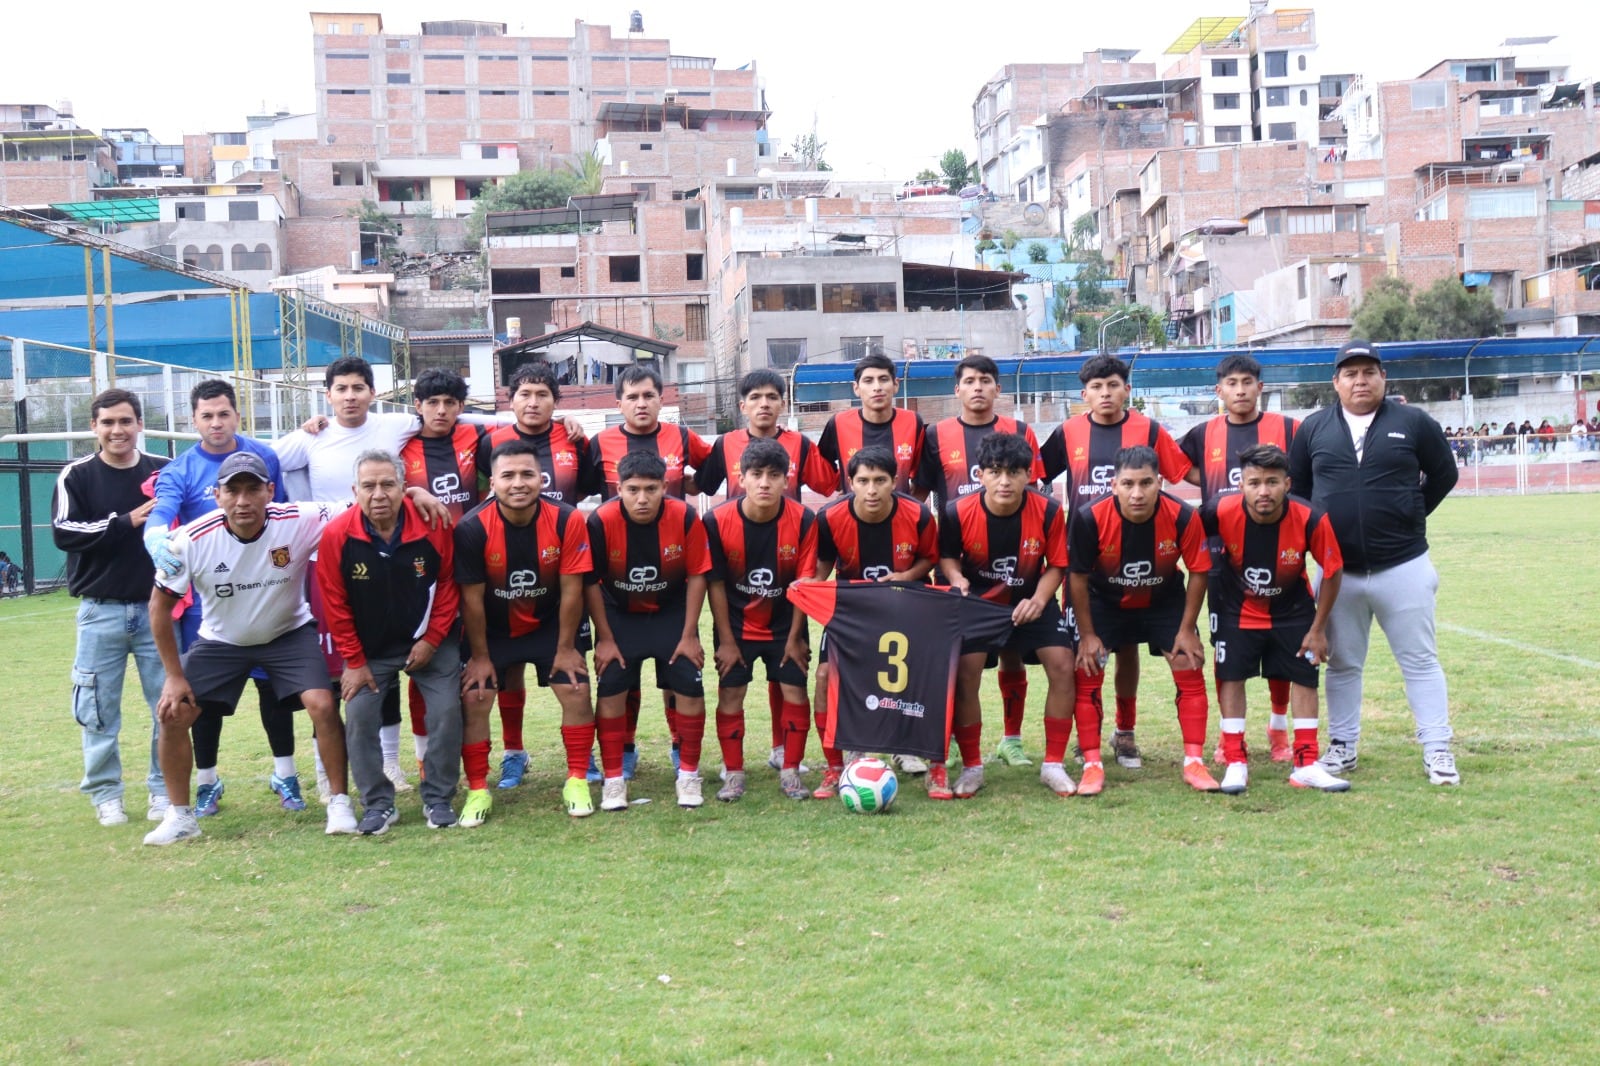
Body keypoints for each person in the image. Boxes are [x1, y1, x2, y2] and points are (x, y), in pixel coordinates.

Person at [142, 453, 356, 844]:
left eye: (253, 489)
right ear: (216, 494)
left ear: (269, 491)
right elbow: (158, 609)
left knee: (323, 705)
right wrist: (174, 677)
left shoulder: (299, 518)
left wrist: (413, 493)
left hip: (288, 634)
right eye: (232, 490)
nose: (243, 500)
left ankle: (339, 803)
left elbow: (365, 501)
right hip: (220, 642)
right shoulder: (190, 539)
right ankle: (180, 816)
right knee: (172, 713)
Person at [1288, 339, 1461, 785]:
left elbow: (1445, 474)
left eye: (1369, 372)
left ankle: (1437, 748)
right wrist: (1319, 539)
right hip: (1337, 573)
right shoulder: (1313, 428)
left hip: (1403, 565)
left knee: (1420, 661)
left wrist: (1411, 513)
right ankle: (1343, 747)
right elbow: (1299, 493)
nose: (1360, 380)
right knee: (1343, 663)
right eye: (1351, 373)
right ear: (1336, 382)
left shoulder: (1414, 422)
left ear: (1384, 378)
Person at [144, 378, 303, 815]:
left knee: (274, 691)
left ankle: (286, 775)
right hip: (211, 602)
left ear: (237, 415)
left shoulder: (263, 456)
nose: (216, 422)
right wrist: (156, 536)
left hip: (267, 591)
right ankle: (208, 782)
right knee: (203, 697)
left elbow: (284, 517)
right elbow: (160, 514)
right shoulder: (180, 469)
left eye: (224, 413)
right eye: (206, 415)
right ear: (193, 420)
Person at [275, 357, 425, 798]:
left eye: (359, 387)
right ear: (328, 395)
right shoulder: (312, 438)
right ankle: (327, 769)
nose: (350, 396)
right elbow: (261, 456)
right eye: (341, 388)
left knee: (385, 658)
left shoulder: (392, 426)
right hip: (329, 564)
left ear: (373, 393)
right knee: (332, 669)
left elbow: (457, 415)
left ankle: (391, 763)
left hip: (385, 560)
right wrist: (302, 431)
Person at [1041, 354, 1191, 772]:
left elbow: (1182, 472)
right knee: (1087, 652)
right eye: (1096, 387)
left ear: (1127, 388)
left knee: (1129, 649)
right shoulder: (1068, 431)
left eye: (1113, 385)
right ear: (1083, 393)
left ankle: (1125, 734)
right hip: (1089, 565)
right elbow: (1034, 474)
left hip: (1146, 558)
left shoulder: (1150, 428)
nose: (1105, 394)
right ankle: (1085, 738)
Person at [693, 368, 836, 777]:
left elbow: (831, 482)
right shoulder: (724, 455)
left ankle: (785, 758)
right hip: (739, 596)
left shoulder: (801, 464)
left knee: (788, 681)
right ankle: (733, 769)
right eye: (755, 397)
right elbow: (699, 484)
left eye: (773, 396)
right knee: (732, 688)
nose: (764, 404)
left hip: (783, 583)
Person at [316, 450, 463, 833]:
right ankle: (378, 804)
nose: (378, 494)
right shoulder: (337, 534)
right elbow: (335, 601)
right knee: (361, 717)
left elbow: (448, 584)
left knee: (447, 711)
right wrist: (354, 659)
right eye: (369, 486)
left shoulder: (433, 523)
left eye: (387, 484)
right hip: (369, 652)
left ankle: (438, 798)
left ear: (404, 488)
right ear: (355, 490)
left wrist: (432, 640)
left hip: (429, 642)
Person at [914, 354, 1046, 768]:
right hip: (960, 562)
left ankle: (1011, 740)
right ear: (957, 390)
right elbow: (920, 493)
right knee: (956, 659)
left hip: (1016, 557)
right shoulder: (935, 435)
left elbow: (1037, 492)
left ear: (997, 389)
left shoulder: (1021, 431)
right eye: (969, 381)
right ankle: (953, 740)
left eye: (985, 380)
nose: (977, 387)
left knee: (1011, 651)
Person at [455, 439, 596, 824]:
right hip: (494, 630)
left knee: (576, 687)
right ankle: (478, 789)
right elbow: (471, 601)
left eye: (527, 474)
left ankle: (577, 779)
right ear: (493, 482)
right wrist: (480, 657)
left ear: (541, 478)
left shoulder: (568, 519)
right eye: (508, 476)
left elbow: (572, 591)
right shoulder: (470, 528)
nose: (518, 483)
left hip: (551, 624)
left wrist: (566, 648)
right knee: (476, 696)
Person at [585, 364, 713, 778]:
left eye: (649, 395)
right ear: (618, 402)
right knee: (626, 674)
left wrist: (692, 487)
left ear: (662, 399)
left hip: (673, 566)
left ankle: (681, 746)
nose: (641, 403)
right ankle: (622, 749)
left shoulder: (682, 437)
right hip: (620, 570)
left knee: (674, 672)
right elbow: (579, 492)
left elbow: (713, 474)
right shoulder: (598, 442)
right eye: (633, 396)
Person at [1199, 444, 1349, 794]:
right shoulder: (1218, 511)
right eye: (1254, 483)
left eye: (1272, 482)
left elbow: (1332, 570)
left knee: (1305, 679)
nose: (1263, 491)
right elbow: (1184, 539)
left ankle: (1306, 763)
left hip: (1293, 612)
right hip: (1237, 611)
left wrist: (1318, 628)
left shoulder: (1310, 517)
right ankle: (1236, 761)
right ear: (1242, 484)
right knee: (1232, 677)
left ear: (1288, 484)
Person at [1069, 446, 1219, 795]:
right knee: (1088, 667)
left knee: (1189, 662)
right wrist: (1088, 634)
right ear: (1113, 485)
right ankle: (1092, 764)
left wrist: (1186, 629)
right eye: (1128, 484)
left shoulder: (1182, 515)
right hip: (1104, 602)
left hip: (1162, 602)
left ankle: (1194, 762)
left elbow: (1199, 572)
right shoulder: (1089, 517)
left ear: (1160, 482)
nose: (1137, 493)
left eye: (1146, 483)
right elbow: (1076, 576)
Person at [51, 388, 169, 827]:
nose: (117, 430)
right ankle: (106, 795)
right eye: (108, 423)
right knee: (98, 708)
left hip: (159, 608)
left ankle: (164, 791)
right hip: (100, 610)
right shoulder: (76, 476)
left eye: (125, 421)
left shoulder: (164, 470)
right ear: (94, 428)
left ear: (140, 424)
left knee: (169, 705)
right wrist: (126, 523)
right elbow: (64, 531)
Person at [938, 433, 1077, 799]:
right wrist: (957, 578)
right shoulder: (956, 511)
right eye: (995, 472)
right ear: (980, 474)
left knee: (1063, 664)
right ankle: (972, 767)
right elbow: (948, 557)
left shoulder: (1047, 510)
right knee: (966, 674)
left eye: (1014, 472)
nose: (1004, 481)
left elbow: (1057, 564)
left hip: (1031, 600)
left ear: (1029, 475)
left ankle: (1053, 765)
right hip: (979, 605)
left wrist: (1039, 598)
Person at [1176, 353, 1300, 763]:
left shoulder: (1289, 429)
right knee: (1225, 648)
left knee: (1284, 642)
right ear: (1219, 391)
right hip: (1221, 559)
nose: (1241, 390)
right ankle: (1230, 737)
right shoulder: (1203, 432)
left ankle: (1279, 728)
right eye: (1232, 383)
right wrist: (1214, 484)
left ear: (1260, 387)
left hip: (1281, 549)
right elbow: (1178, 467)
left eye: (1248, 382)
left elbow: (1308, 472)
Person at [810, 446, 940, 795]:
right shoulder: (829, 516)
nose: (871, 489)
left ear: (894, 482)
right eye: (863, 481)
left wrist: (906, 575)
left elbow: (930, 558)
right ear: (850, 482)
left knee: (915, 679)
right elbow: (821, 568)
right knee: (825, 677)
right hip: (852, 612)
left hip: (906, 606)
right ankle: (835, 766)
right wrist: (807, 586)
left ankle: (909, 748)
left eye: (880, 480)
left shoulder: (918, 514)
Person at [703, 437, 819, 802]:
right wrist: (725, 640)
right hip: (735, 626)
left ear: (787, 480)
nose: (765, 483)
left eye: (774, 475)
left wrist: (796, 637)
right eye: (756, 474)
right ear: (741, 477)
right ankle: (734, 774)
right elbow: (716, 585)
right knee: (731, 692)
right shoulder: (716, 520)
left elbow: (804, 584)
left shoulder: (804, 519)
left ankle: (791, 772)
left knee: (794, 691)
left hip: (786, 624)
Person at [398, 368, 484, 784]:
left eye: (450, 402)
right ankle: (421, 756)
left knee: (480, 666)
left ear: (461, 407)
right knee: (424, 666)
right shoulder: (401, 444)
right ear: (417, 406)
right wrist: (412, 491)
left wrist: (564, 421)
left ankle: (499, 756)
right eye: (432, 402)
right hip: (420, 573)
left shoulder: (473, 438)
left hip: (475, 565)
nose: (441, 410)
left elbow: (514, 428)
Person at [816, 352, 928, 497]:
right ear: (856, 388)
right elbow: (821, 464)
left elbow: (923, 473)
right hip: (853, 516)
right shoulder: (838, 423)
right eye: (868, 381)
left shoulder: (913, 421)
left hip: (899, 516)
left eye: (883, 379)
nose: (877, 387)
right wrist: (845, 483)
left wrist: (913, 507)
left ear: (895, 385)